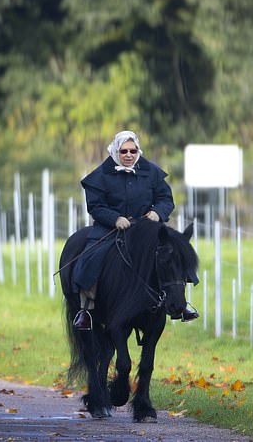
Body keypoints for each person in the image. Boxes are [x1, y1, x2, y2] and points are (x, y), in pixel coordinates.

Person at [72, 130, 198, 330]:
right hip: (110, 229)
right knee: (91, 258)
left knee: (174, 251)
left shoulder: (151, 171)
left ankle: (180, 304)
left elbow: (165, 199)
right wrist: (115, 219)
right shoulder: (101, 175)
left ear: (138, 150)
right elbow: (95, 205)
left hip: (147, 229)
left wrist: (157, 213)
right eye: (124, 151)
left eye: (133, 150)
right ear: (116, 151)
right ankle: (86, 308)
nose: (129, 155)